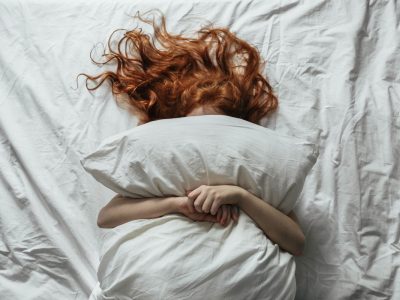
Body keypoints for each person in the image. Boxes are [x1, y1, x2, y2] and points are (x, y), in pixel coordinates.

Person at [78, 12, 305, 256]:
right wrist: (177, 205)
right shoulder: (165, 170)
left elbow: (297, 243)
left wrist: (240, 197)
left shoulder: (253, 176)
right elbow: (106, 218)